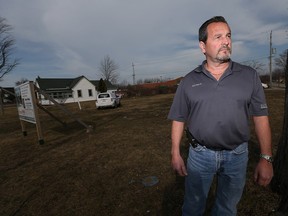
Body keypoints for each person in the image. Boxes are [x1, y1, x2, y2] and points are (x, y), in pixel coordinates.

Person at [168, 16, 274, 216]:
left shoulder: (249, 75)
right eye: (218, 37)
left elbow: (261, 117)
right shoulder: (189, 81)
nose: (226, 41)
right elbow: (179, 117)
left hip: (237, 156)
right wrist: (175, 152)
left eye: (228, 36)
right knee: (192, 207)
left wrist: (266, 158)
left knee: (226, 209)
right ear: (203, 46)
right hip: (200, 155)